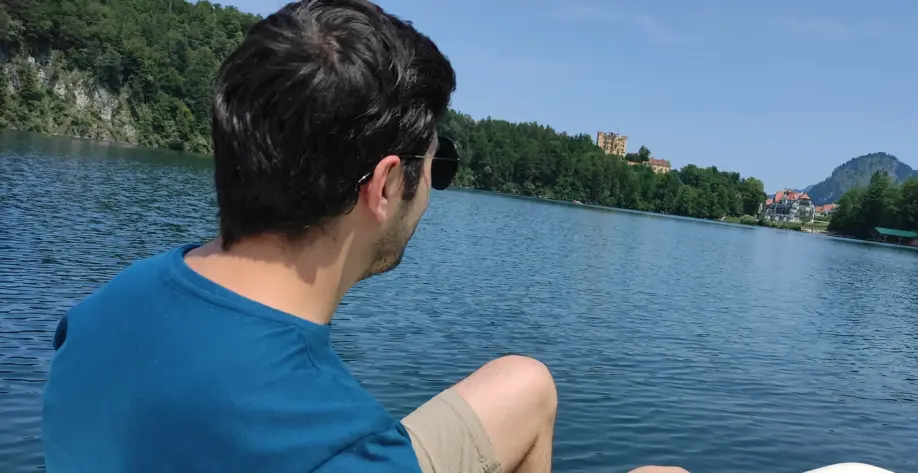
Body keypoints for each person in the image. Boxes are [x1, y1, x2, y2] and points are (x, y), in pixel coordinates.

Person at [42, 1, 686, 472]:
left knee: (524, 383)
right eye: (438, 164)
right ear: (383, 186)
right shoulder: (340, 446)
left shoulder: (97, 314)